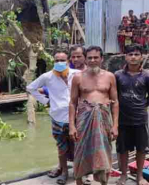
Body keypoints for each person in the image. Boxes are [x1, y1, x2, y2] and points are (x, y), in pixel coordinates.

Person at [27, 50, 80, 185]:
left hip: (77, 116)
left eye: (62, 60)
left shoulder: (77, 74)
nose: (59, 63)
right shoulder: (47, 76)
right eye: (56, 60)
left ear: (68, 61)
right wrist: (45, 101)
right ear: (53, 62)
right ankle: (64, 172)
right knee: (61, 148)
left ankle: (79, 173)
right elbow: (30, 88)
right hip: (58, 117)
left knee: (79, 146)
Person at [69, 46, 119, 185]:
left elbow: (115, 102)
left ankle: (103, 182)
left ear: (101, 59)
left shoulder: (110, 76)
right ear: (85, 58)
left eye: (96, 57)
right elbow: (73, 103)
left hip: (104, 119)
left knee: (104, 150)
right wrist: (72, 126)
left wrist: (115, 125)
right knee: (80, 151)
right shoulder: (77, 77)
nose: (92, 60)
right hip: (83, 120)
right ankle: (79, 181)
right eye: (89, 57)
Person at [115, 45, 149, 185]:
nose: (133, 57)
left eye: (136, 54)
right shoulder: (117, 75)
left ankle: (139, 176)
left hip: (140, 119)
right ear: (125, 56)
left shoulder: (147, 75)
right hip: (122, 119)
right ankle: (123, 175)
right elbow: (114, 96)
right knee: (122, 149)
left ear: (141, 56)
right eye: (130, 54)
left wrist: (143, 105)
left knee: (141, 149)